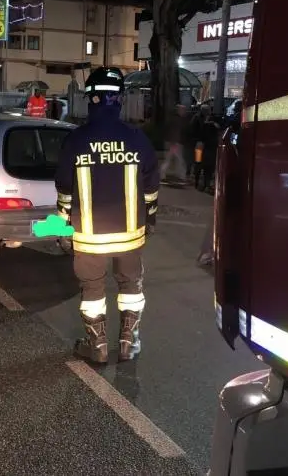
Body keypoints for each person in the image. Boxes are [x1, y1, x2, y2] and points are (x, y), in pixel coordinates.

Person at [55, 66, 160, 364]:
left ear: (91, 100)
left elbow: (64, 189)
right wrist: (149, 219)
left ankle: (97, 346)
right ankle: (128, 342)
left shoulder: (76, 141)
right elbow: (151, 186)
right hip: (130, 235)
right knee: (130, 286)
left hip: (88, 237)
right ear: (121, 100)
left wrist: (63, 226)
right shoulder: (137, 139)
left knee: (92, 289)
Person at [159, 104, 189, 184]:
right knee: (179, 160)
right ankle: (181, 177)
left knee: (170, 160)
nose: (184, 112)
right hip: (174, 143)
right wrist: (173, 143)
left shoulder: (174, 119)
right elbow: (175, 132)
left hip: (172, 142)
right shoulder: (178, 120)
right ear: (179, 111)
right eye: (183, 110)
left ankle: (164, 175)